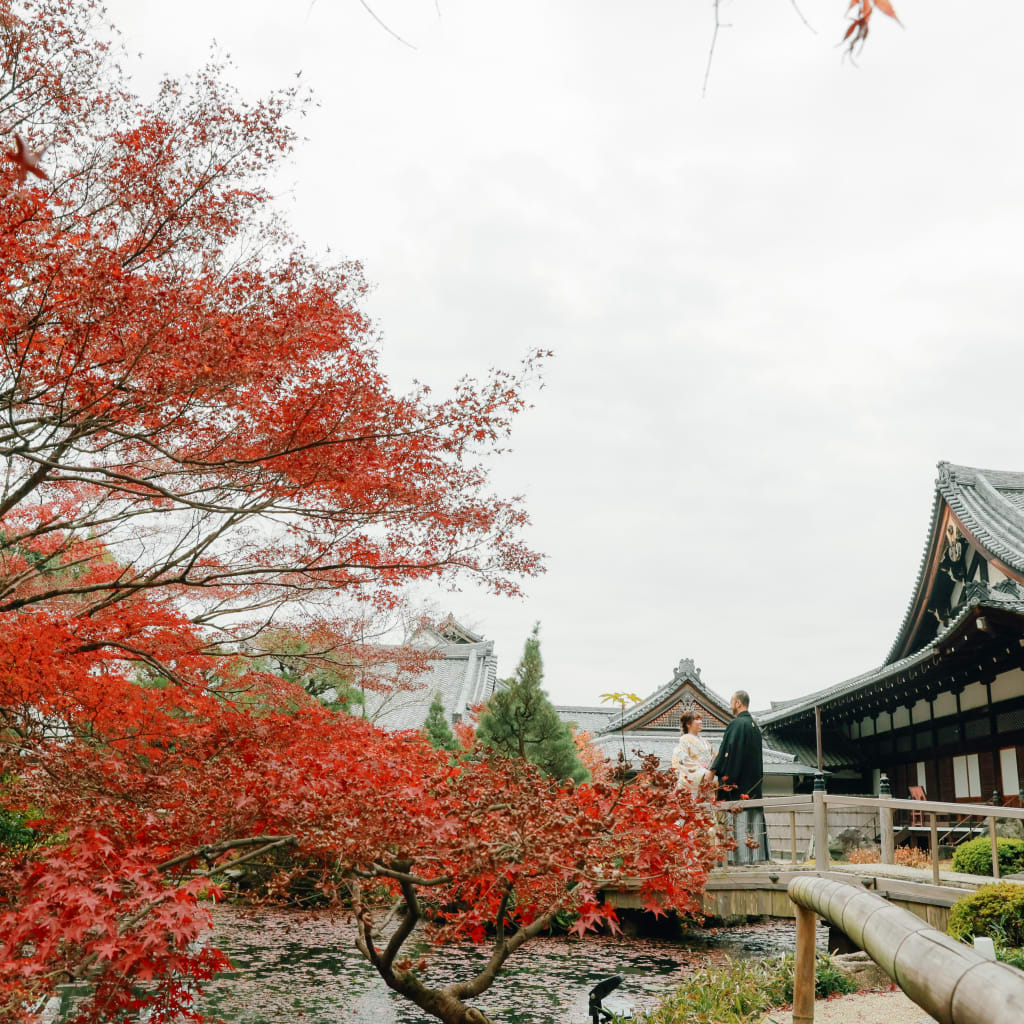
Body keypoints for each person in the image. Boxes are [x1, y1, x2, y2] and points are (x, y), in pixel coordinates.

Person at [710, 690, 769, 864]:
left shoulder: (736, 724)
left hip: (738, 788)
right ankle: (756, 858)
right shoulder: (754, 727)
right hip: (753, 786)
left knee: (735, 823)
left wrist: (716, 771)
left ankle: (735, 860)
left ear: (738, 703)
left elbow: (728, 751)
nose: (730, 706)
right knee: (753, 824)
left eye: (731, 702)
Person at [671, 709, 714, 795]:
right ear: (688, 724)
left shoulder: (705, 741)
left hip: (707, 779)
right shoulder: (685, 739)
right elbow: (683, 761)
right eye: (697, 719)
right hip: (696, 780)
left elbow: (713, 757)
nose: (700, 722)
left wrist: (712, 771)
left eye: (700, 719)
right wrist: (703, 773)